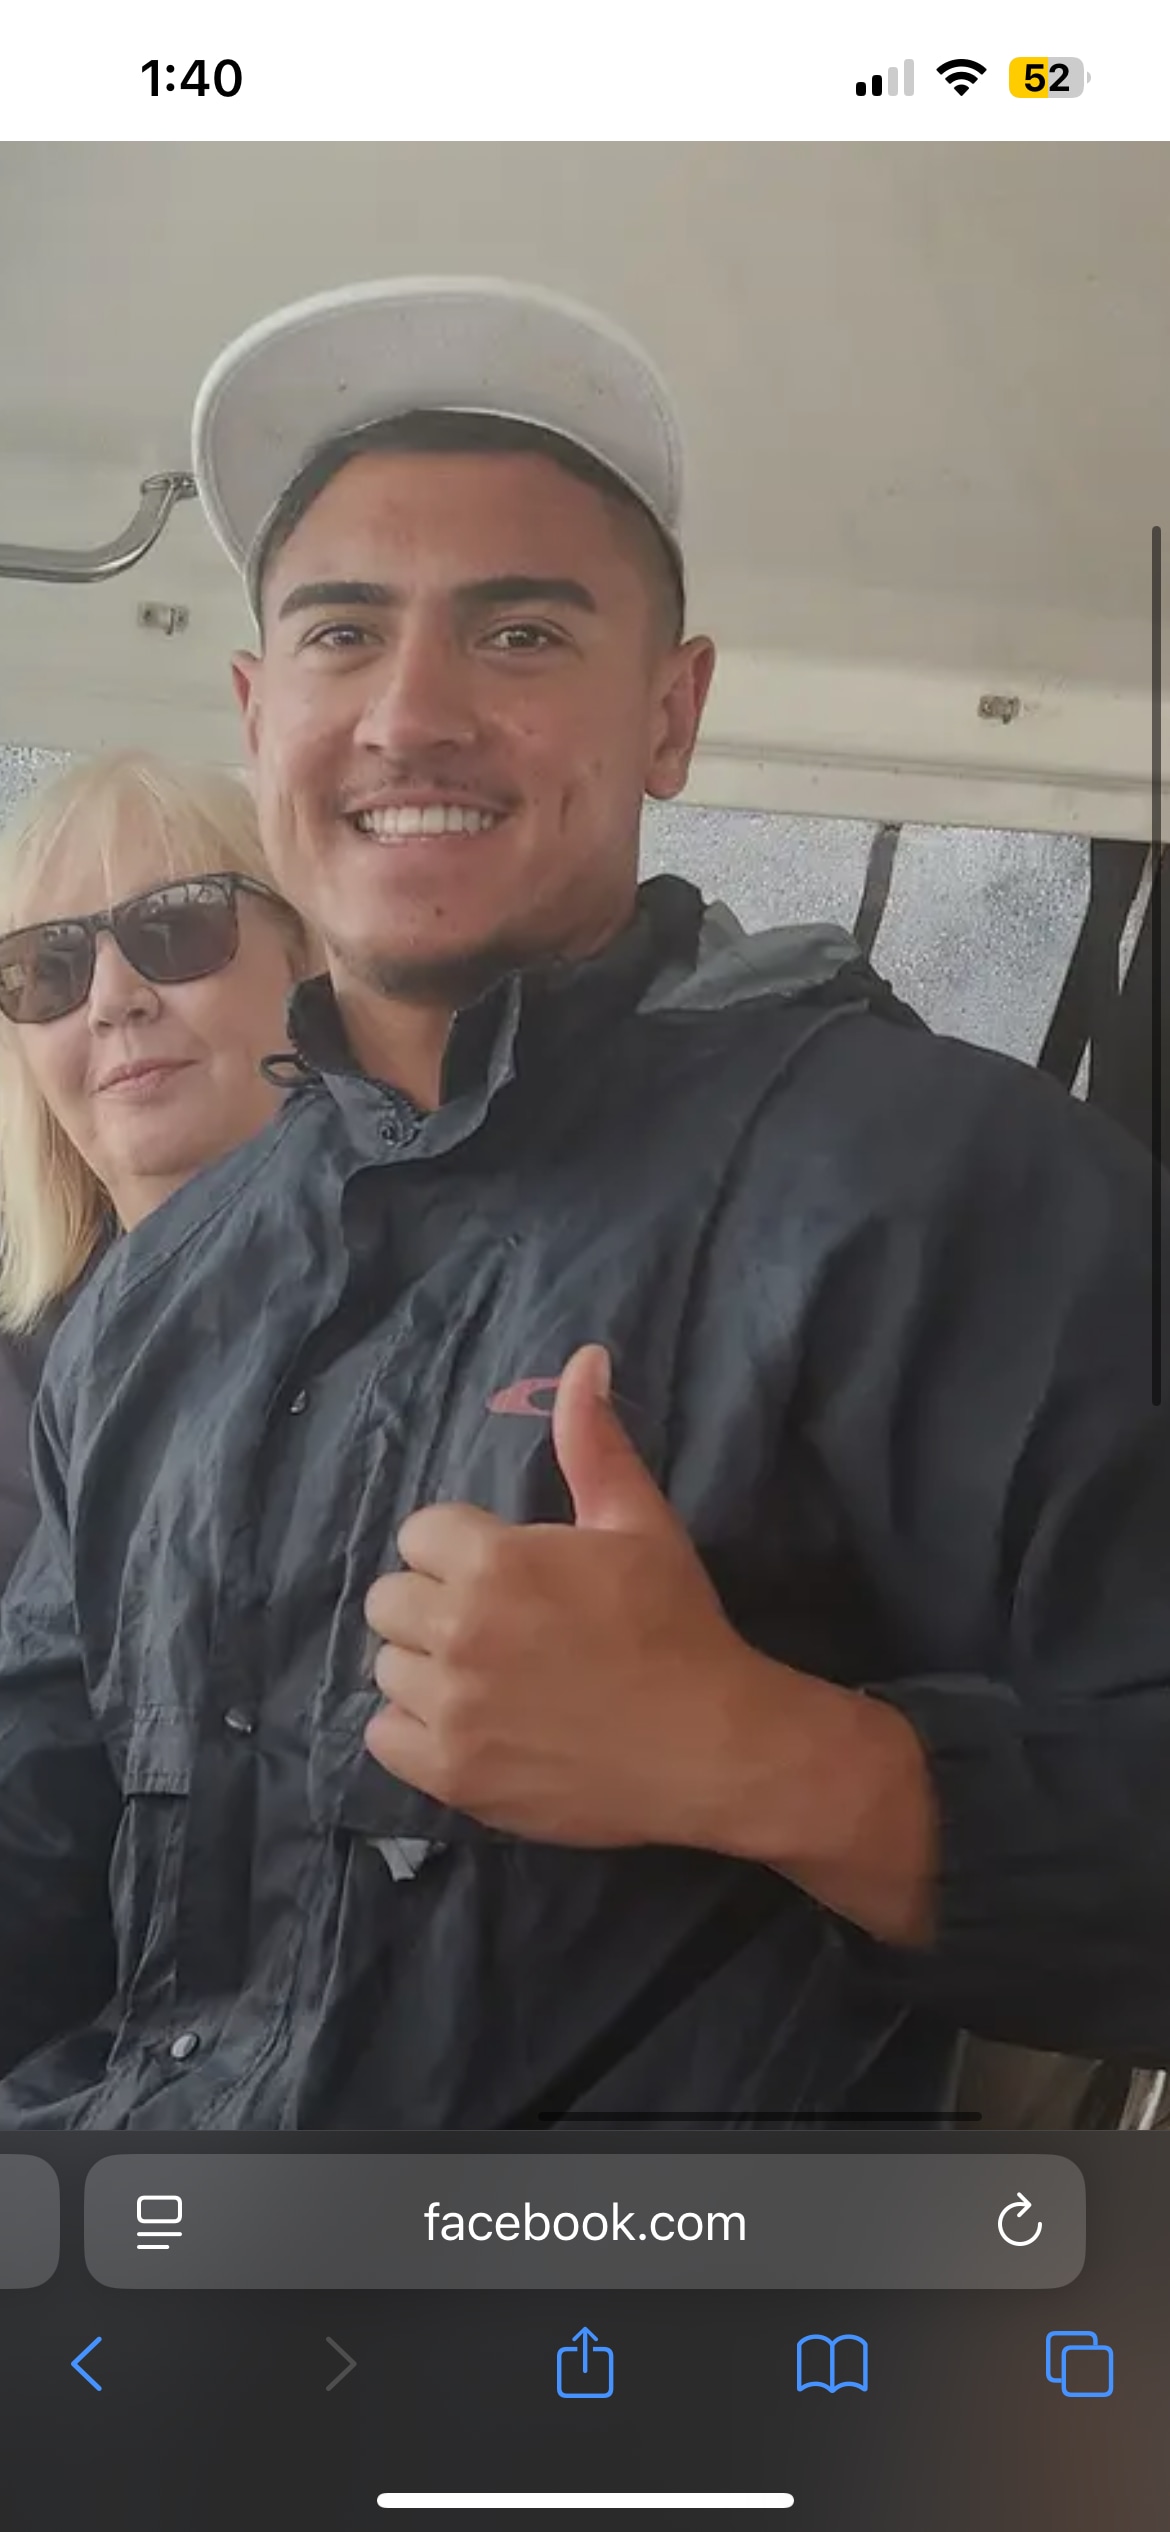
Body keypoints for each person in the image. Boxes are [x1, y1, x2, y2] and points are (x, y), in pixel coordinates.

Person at [0, 276, 1166, 2131]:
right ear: (258, 710)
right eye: (343, 633)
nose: (411, 714)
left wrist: (785, 1762)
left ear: (670, 715)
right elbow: (47, 1827)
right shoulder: (154, 1307)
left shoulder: (947, 1192)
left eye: (522, 632)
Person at [0, 751, 316, 1593]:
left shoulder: (450, 1277)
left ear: (304, 960)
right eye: (48, 969)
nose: (113, 1000)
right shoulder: (17, 1355)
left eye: (176, 929)